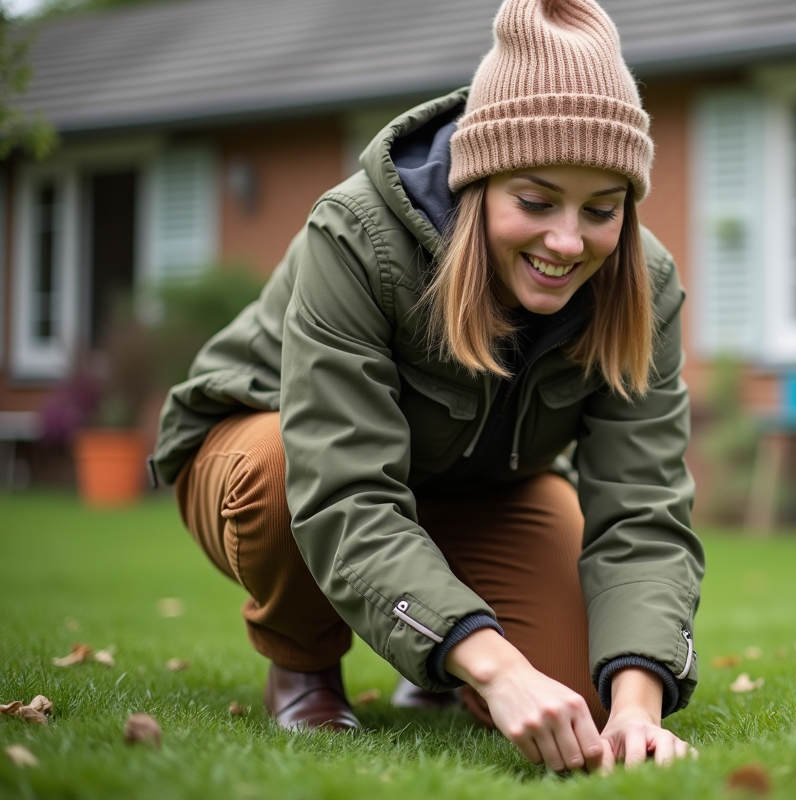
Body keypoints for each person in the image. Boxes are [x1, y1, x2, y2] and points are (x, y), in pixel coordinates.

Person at [150, 0, 702, 774]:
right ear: (478, 180)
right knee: (281, 467)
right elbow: (342, 490)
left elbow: (643, 506)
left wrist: (639, 704)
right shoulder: (353, 234)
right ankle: (303, 663)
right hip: (269, 460)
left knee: (585, 695)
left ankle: (442, 658)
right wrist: (499, 669)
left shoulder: (644, 283)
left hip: (481, 489)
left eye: (602, 209)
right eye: (536, 201)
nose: (568, 242)